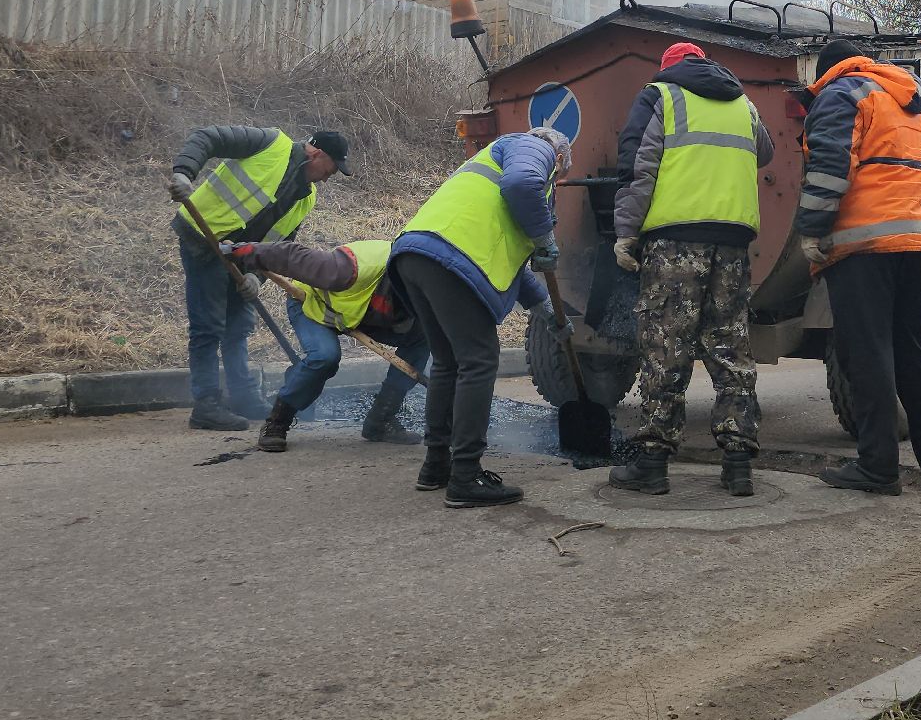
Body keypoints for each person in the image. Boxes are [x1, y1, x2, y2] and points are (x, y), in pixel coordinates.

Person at [606, 42, 774, 497]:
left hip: (675, 241)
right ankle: (738, 465)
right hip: (733, 242)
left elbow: (638, 168)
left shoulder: (659, 96)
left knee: (666, 345)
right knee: (731, 347)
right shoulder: (743, 103)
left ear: (668, 69)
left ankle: (652, 464)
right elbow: (765, 152)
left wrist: (626, 232)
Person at [797, 39, 921, 498]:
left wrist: (811, 229)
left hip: (863, 242)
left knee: (867, 353)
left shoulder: (841, 93)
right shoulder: (900, 95)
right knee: (911, 350)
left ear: (826, 71)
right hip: (915, 237)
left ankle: (878, 467)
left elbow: (830, 167)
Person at [389, 126, 570, 508]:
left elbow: (514, 263)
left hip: (416, 254)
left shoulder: (491, 163)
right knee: (479, 360)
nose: (555, 182)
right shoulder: (532, 146)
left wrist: (544, 309)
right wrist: (545, 237)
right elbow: (522, 184)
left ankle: (436, 465)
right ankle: (466, 476)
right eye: (560, 175)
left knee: (449, 363)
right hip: (452, 258)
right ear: (558, 157)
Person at [167, 126, 352, 432]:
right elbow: (207, 137)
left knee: (238, 326)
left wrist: (255, 277)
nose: (327, 179)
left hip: (241, 257)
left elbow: (279, 245)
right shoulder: (270, 143)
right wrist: (184, 173)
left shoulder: (307, 197)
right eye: (330, 170)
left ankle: (243, 397)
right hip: (206, 238)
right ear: (316, 153)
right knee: (209, 326)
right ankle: (206, 406)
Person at [219, 238, 430, 452]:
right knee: (325, 356)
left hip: (359, 315)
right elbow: (292, 256)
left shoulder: (426, 284)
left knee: (421, 339)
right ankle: (277, 421)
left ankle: (380, 420)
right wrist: (245, 251)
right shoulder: (350, 268)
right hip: (312, 305)